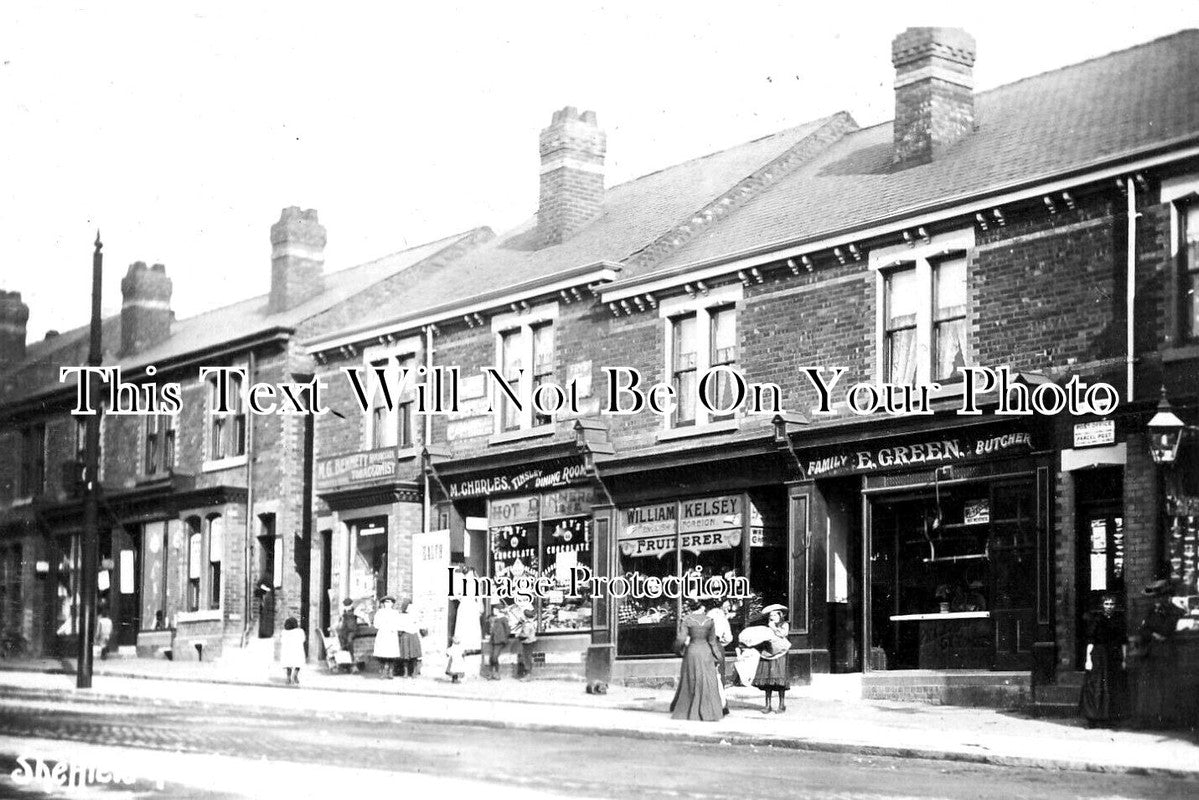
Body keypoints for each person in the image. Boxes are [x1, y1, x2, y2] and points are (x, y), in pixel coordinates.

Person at [670, 597, 723, 721]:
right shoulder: (710, 620)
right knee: (707, 680)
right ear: (702, 608)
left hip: (692, 651)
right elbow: (712, 641)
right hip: (706, 652)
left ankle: (689, 710)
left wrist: (678, 650)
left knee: (691, 679)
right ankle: (709, 712)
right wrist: (718, 656)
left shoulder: (687, 620)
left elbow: (681, 639)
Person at [1080, 594, 1126, 727]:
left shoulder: (1118, 621)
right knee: (1096, 686)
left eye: (1111, 604)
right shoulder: (1096, 620)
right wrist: (1088, 659)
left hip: (1113, 656)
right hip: (1098, 656)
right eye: (1106, 604)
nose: (1109, 607)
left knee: (1112, 686)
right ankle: (1093, 718)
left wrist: (1124, 659)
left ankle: (1109, 718)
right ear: (1102, 606)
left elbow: (1123, 642)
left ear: (1115, 606)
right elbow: (1091, 641)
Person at [752, 604, 791, 714]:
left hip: (780, 653)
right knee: (768, 679)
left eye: (774, 614)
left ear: (780, 615)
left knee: (779, 679)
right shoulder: (766, 626)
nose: (772, 616)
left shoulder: (784, 625)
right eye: (770, 615)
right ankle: (768, 704)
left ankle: (781, 704)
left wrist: (773, 627)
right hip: (768, 652)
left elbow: (783, 634)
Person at [707, 597, 734, 715]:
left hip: (705, 645)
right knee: (719, 675)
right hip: (717, 645)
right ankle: (722, 705)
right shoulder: (722, 618)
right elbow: (728, 637)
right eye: (727, 605)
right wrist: (721, 643)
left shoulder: (706, 615)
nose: (728, 609)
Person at [453, 566, 484, 654]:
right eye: (467, 575)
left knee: (472, 624)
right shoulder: (462, 583)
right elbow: (456, 594)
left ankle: (473, 646)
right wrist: (461, 599)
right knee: (463, 624)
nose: (469, 576)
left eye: (471, 574)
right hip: (464, 605)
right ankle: (462, 645)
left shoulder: (476, 583)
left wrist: (480, 605)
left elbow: (479, 596)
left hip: (472, 605)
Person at [372, 596, 402, 679]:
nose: (387, 604)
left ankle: (391, 671)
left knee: (391, 653)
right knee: (382, 653)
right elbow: (376, 624)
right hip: (383, 634)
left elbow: (398, 623)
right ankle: (384, 671)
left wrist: (393, 628)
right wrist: (382, 625)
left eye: (389, 602)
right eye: (386, 602)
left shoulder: (395, 613)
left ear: (392, 604)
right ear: (383, 604)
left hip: (391, 634)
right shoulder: (380, 612)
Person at [396, 598, 423, 678]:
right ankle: (406, 672)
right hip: (405, 636)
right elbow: (399, 627)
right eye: (408, 606)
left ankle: (414, 672)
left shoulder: (415, 616)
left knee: (414, 655)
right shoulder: (402, 616)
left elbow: (420, 625)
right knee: (405, 656)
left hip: (413, 635)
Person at [487, 604, 512, 680]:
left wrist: (505, 638)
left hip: (499, 640)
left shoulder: (503, 619)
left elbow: (507, 630)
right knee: (492, 657)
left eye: (495, 610)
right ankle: (492, 673)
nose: (494, 611)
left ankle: (496, 673)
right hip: (493, 640)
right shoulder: (494, 619)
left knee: (494, 657)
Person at [280, 617, 307, 685]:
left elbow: (282, 641)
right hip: (297, 651)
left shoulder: (284, 632)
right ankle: (295, 675)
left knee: (289, 665)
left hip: (288, 652)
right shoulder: (300, 631)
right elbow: (303, 639)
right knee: (298, 664)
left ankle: (288, 677)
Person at [516, 607, 537, 681]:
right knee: (528, 658)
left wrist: (518, 635)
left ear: (525, 616)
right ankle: (528, 675)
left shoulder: (527, 624)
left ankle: (527, 676)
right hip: (531, 641)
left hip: (527, 642)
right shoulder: (531, 623)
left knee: (526, 659)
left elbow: (525, 634)